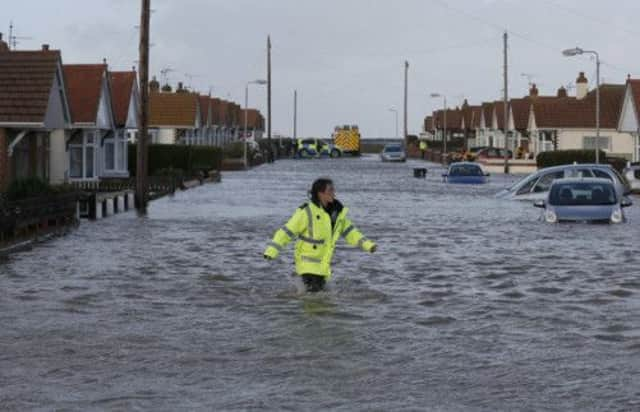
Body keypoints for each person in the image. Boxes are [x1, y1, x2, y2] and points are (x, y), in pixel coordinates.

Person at [263, 178, 377, 292]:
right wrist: (271, 251)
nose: (334, 193)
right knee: (315, 302)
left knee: (319, 301)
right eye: (330, 190)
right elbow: (286, 232)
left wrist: (368, 245)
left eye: (334, 189)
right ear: (320, 193)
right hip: (307, 266)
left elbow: (351, 232)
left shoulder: (337, 214)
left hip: (323, 266)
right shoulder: (306, 212)